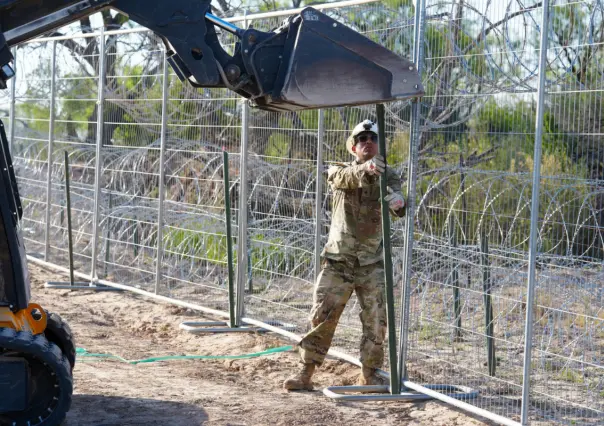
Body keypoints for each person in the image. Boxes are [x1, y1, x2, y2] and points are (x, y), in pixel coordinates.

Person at [283, 119, 407, 391]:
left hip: (371, 262)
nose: (368, 143)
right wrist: (368, 169)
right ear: (353, 147)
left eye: (373, 139)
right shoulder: (339, 171)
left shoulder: (390, 174)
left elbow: (397, 203)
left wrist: (398, 204)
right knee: (322, 316)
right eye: (362, 140)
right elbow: (345, 180)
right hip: (339, 260)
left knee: (376, 320)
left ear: (379, 144)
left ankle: (369, 373)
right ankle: (306, 373)